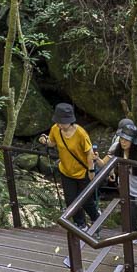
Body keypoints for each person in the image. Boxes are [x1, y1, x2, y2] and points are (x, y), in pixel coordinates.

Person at [39, 104, 100, 243]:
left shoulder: (81, 133)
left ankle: (96, 220)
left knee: (86, 201)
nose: (59, 124)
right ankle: (81, 225)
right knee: (71, 201)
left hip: (82, 172)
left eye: (62, 122)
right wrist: (44, 140)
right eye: (58, 121)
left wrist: (91, 171)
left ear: (70, 120)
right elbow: (52, 143)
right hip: (66, 171)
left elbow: (89, 153)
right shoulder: (56, 129)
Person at [101, 124, 137, 245]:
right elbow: (104, 164)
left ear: (133, 141)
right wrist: (95, 159)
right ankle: (133, 234)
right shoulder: (118, 150)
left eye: (126, 139)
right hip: (127, 189)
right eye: (122, 139)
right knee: (130, 212)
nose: (123, 142)